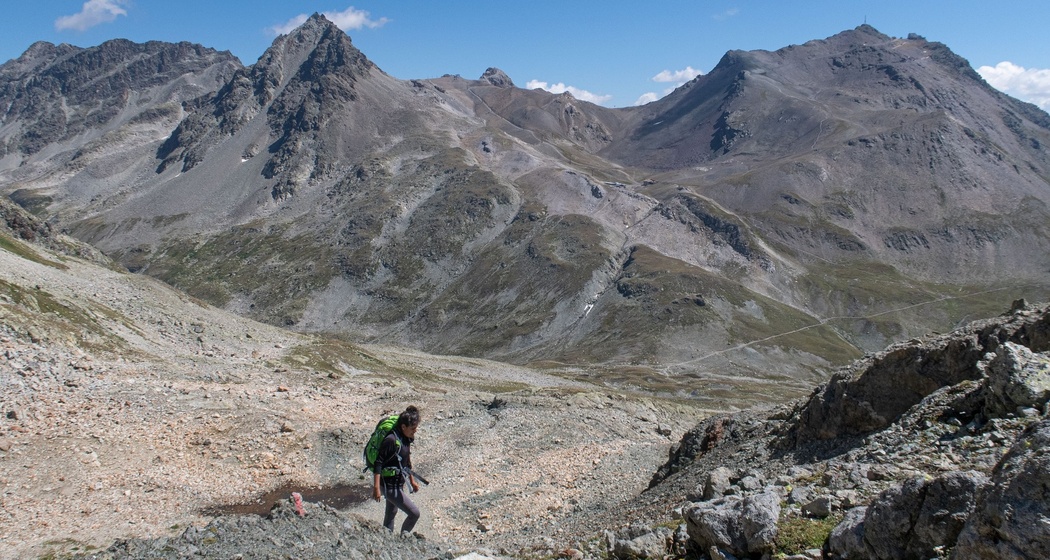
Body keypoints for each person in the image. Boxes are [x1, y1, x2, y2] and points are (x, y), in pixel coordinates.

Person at [372, 405, 422, 534]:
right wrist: (376, 488)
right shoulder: (391, 440)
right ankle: (403, 539)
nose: (415, 431)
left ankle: (386, 539)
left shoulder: (406, 438)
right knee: (414, 513)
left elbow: (406, 461)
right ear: (403, 427)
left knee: (391, 512)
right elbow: (378, 463)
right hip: (388, 486)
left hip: (398, 483)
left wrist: (412, 481)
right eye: (413, 428)